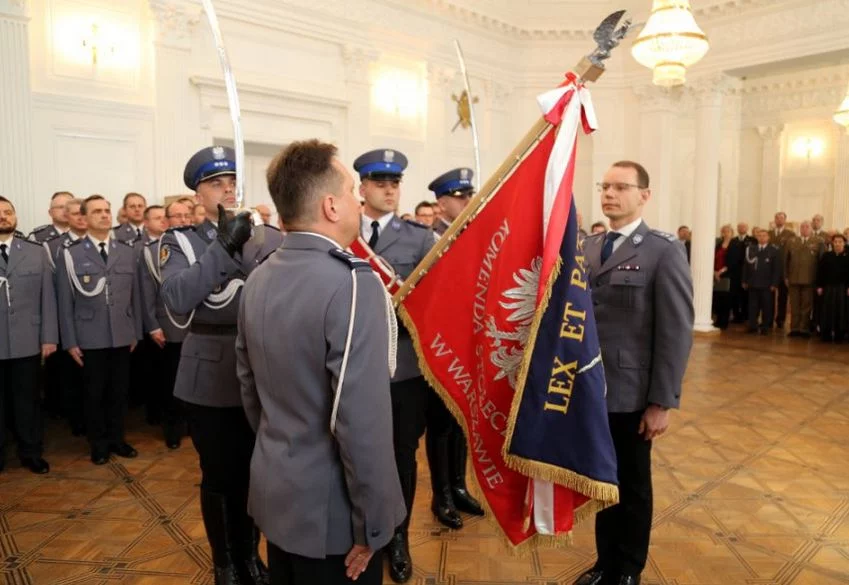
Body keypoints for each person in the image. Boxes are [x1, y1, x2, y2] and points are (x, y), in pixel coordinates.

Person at [236, 139, 404, 585]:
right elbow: (359, 420)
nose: (358, 199)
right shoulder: (353, 284)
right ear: (331, 205)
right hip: (334, 518)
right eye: (351, 190)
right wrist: (372, 523)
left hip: (278, 496)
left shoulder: (259, 276)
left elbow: (251, 390)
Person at [159, 145, 282, 585]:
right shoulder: (180, 242)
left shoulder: (265, 237)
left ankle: (251, 556)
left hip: (261, 371)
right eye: (215, 182)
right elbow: (176, 299)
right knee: (218, 473)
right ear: (197, 195)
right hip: (209, 372)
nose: (227, 188)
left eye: (232, 180)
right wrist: (223, 246)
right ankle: (225, 562)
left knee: (255, 472)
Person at [576, 161, 693, 585]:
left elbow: (676, 332)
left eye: (621, 187)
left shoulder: (663, 250)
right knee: (602, 483)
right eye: (604, 186)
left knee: (633, 486)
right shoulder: (588, 247)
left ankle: (627, 570)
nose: (609, 194)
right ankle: (604, 562)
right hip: (589, 390)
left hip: (631, 392)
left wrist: (662, 402)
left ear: (644, 195)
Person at [353, 148, 433, 583]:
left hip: (402, 367)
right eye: (380, 182)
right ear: (361, 188)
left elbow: (434, 299)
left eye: (395, 183)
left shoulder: (419, 238)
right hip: (353, 364)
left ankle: (398, 536)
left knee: (402, 453)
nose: (389, 190)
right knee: (355, 449)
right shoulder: (343, 232)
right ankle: (363, 529)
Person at [56, 195, 143, 465]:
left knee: (119, 392)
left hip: (121, 334)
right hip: (89, 337)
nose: (104, 216)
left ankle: (118, 439)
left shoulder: (127, 251)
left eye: (107, 211)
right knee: (94, 394)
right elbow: (64, 301)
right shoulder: (70, 254)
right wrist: (70, 341)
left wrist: (135, 332)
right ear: (84, 218)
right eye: (97, 212)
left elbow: (135, 297)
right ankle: (99, 443)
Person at [424, 168, 484, 529]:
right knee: (441, 424)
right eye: (460, 198)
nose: (466, 202)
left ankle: (459, 486)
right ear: (441, 203)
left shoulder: (473, 237)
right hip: (438, 347)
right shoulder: (429, 241)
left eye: (468, 196)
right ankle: (441, 494)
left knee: (462, 421)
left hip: (467, 345)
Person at [0, 196, 58, 474]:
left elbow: (48, 297)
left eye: (8, 212)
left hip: (28, 340)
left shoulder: (36, 251)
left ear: (15, 216)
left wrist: (49, 337)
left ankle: (31, 452)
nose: (4, 217)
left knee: (29, 402)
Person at [138, 204, 187, 449]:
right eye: (177, 215)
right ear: (167, 220)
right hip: (169, 325)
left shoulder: (199, 244)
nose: (183, 218)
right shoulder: (152, 250)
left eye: (187, 214)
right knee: (171, 382)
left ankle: (189, 424)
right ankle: (172, 429)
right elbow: (147, 292)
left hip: (196, 327)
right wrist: (153, 325)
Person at [785, 221, 822, 338]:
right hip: (793, 278)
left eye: (807, 227)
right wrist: (785, 276)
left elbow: (821, 262)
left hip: (809, 279)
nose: (804, 229)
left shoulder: (818, 242)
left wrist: (818, 281)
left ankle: (804, 329)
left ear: (811, 229)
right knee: (794, 305)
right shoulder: (791, 241)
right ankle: (794, 328)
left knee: (806, 306)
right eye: (802, 227)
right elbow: (785, 260)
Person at [743, 229, 781, 335]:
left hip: (767, 284)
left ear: (768, 237)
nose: (761, 238)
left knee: (766, 306)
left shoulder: (774, 250)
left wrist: (774, 283)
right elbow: (746, 266)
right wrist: (744, 280)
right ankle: (752, 325)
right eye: (759, 236)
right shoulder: (751, 249)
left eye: (764, 236)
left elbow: (776, 269)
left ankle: (765, 326)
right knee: (753, 306)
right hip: (753, 282)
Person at [816, 234, 849, 342]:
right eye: (835, 242)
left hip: (842, 288)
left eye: (840, 242)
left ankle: (840, 334)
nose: (838, 244)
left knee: (841, 311)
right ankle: (826, 333)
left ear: (844, 243)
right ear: (832, 243)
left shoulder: (848, 256)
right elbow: (820, 272)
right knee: (827, 311)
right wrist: (819, 285)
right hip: (828, 287)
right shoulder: (827, 255)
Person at [713, 224, 735, 330]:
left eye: (728, 231)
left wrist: (720, 272)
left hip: (728, 275)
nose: (726, 233)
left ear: (732, 233)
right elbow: (713, 258)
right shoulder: (718, 244)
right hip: (716, 275)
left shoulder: (735, 244)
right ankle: (718, 320)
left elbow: (734, 261)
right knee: (717, 299)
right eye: (724, 231)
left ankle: (724, 322)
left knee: (726, 299)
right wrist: (714, 272)